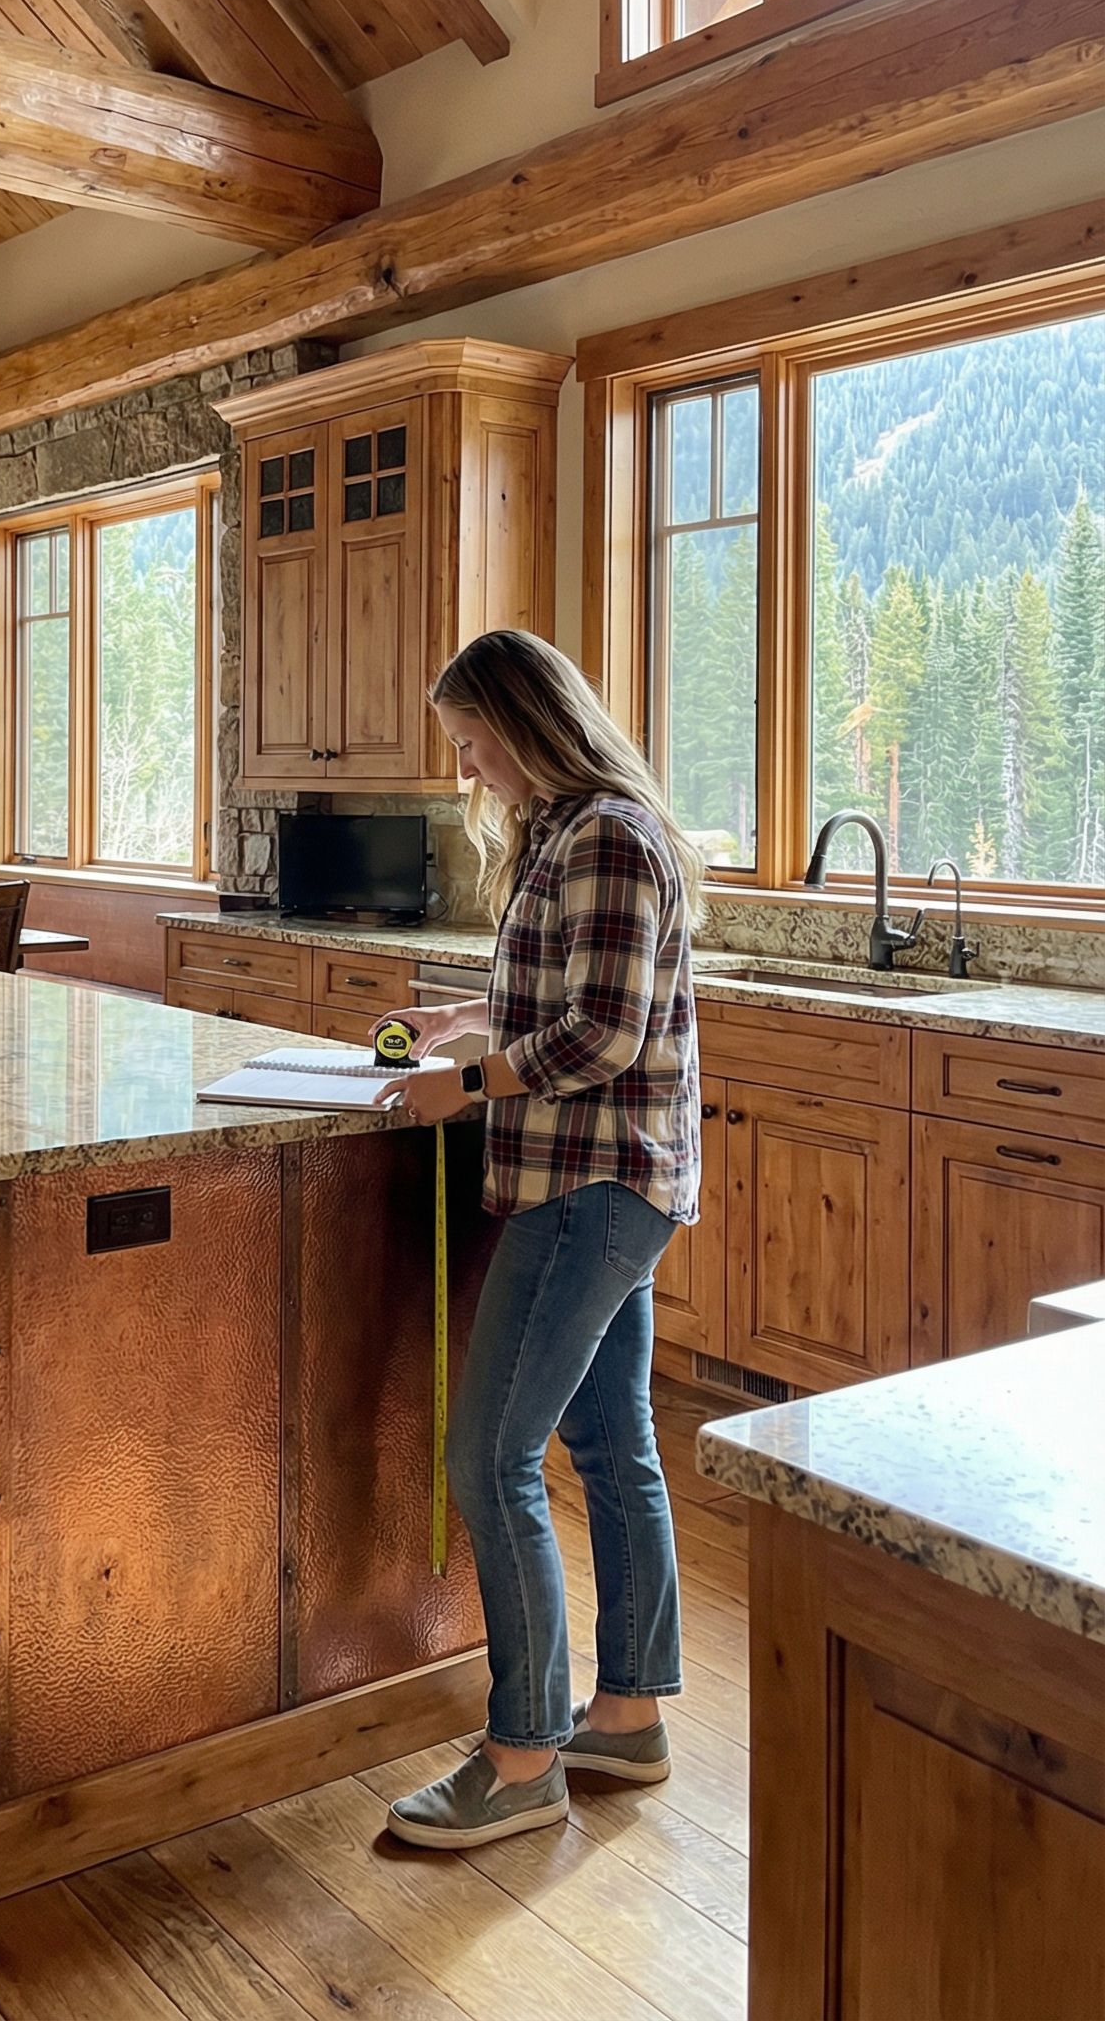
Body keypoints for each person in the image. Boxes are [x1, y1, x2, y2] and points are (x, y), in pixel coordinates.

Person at [372, 627, 703, 1849]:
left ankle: (519, 1760)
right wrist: (463, 1013)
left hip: (590, 1186)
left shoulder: (607, 833)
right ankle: (625, 1713)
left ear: (525, 720)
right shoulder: (569, 830)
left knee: (490, 1458)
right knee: (612, 1444)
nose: (463, 765)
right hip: (610, 1180)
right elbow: (566, 997)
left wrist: (466, 1083)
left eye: (471, 739)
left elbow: (602, 1037)